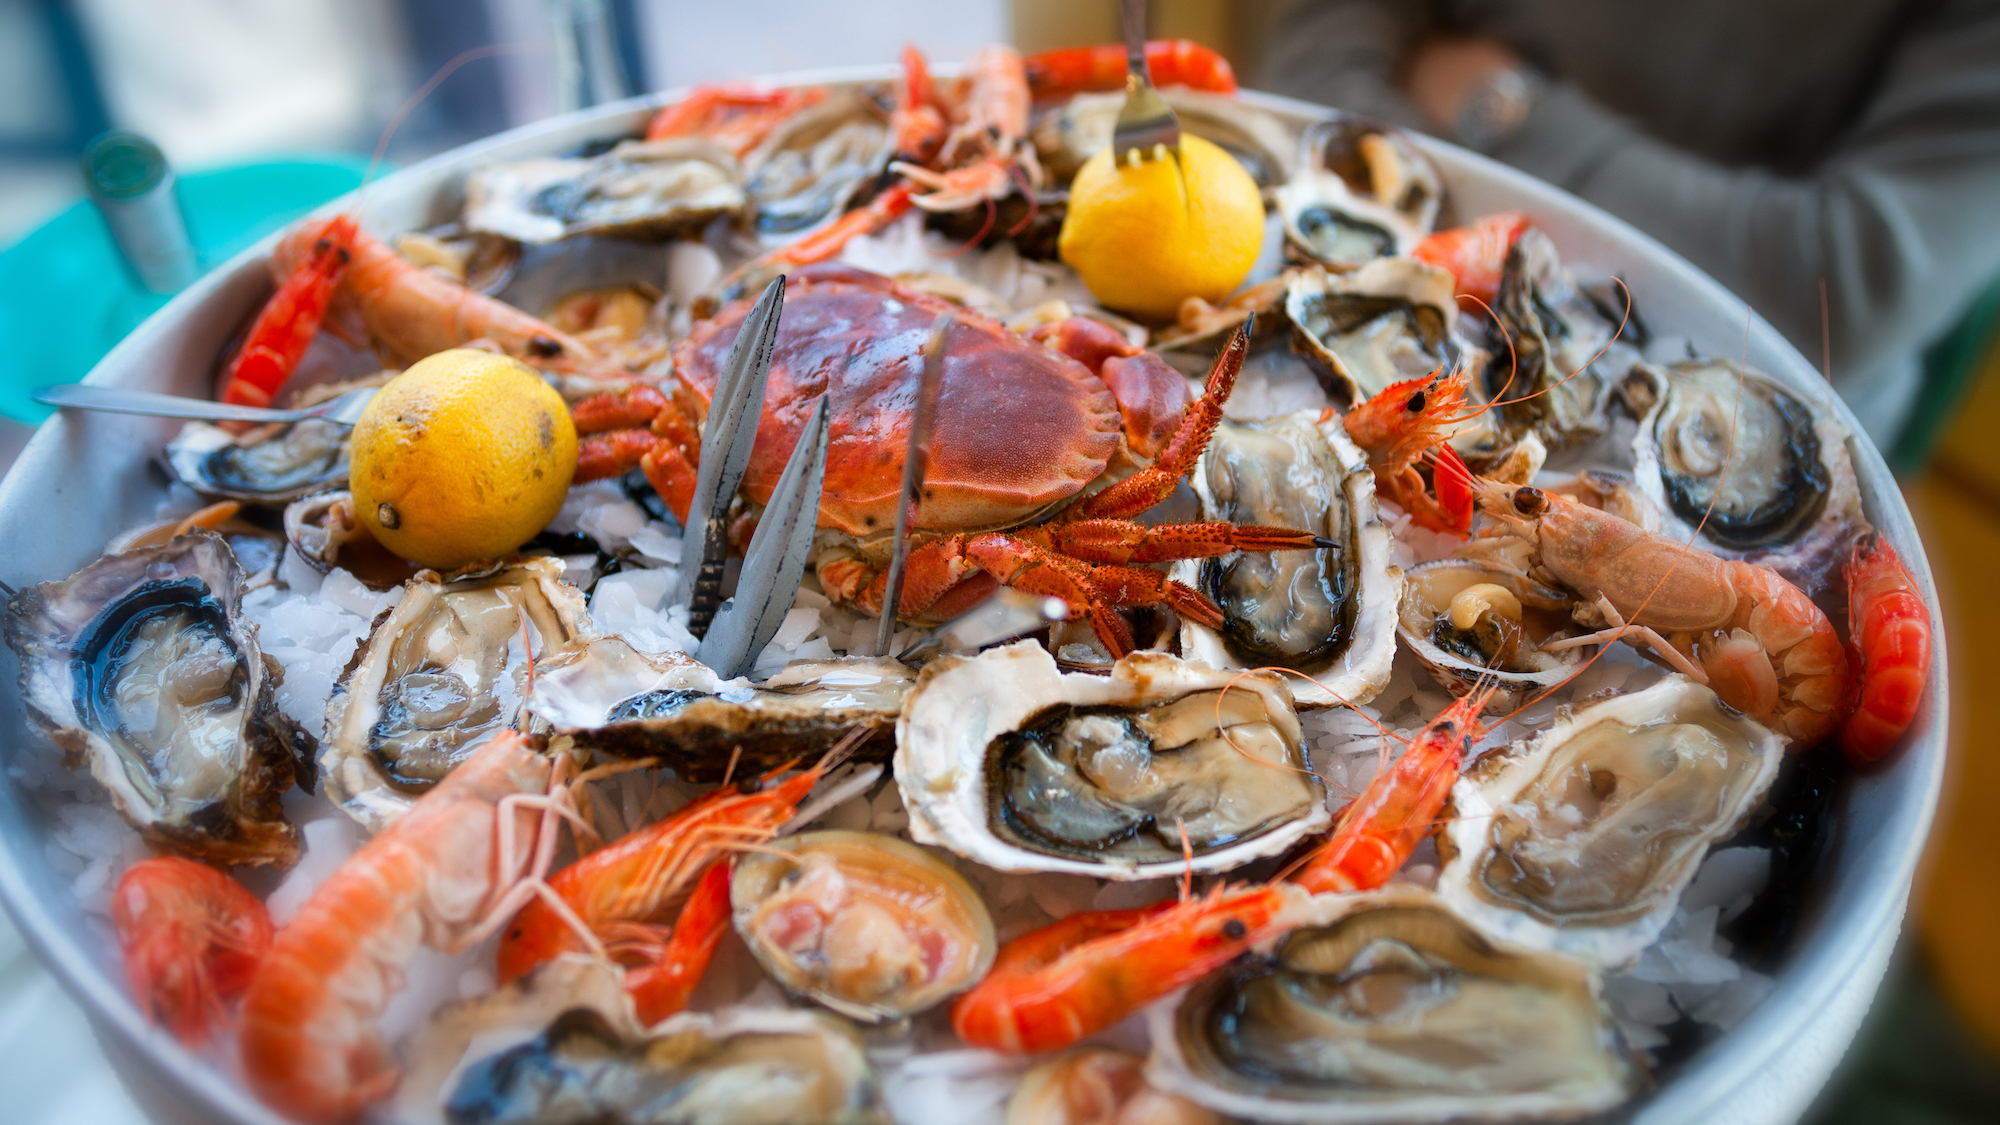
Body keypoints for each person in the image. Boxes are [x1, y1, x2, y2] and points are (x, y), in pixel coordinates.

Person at [1260, 0, 2000, 448]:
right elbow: (1321, 47)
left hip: (1749, 386)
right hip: (1361, 227)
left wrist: (1497, 106)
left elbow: (1840, 287)